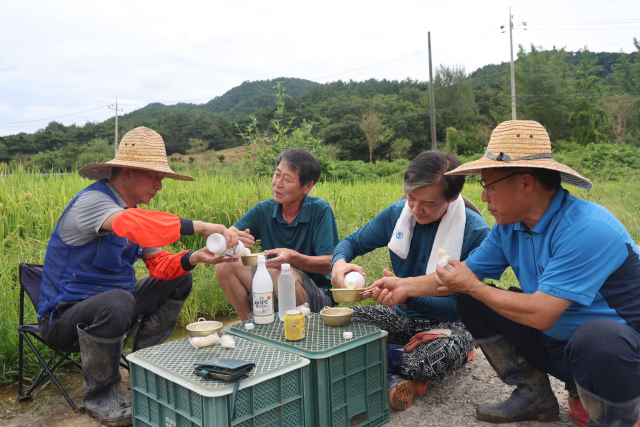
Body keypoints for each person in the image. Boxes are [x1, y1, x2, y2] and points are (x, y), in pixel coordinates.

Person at [416, 120, 639, 426]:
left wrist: (473, 286)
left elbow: (542, 314)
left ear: (525, 182)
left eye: (488, 185)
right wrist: (400, 286)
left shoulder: (588, 228)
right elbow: (459, 276)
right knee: (472, 302)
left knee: (597, 339)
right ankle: (534, 394)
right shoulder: (510, 227)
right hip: (563, 347)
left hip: (620, 355)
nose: (483, 198)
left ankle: (621, 416)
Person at [37, 127, 243, 426]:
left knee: (179, 277)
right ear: (128, 172)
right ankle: (102, 395)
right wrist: (201, 225)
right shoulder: (92, 204)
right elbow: (133, 225)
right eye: (155, 176)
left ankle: (147, 367)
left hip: (114, 307)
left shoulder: (132, 212)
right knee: (119, 300)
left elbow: (159, 265)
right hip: (64, 318)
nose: (160, 185)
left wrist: (194, 257)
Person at [331, 151, 490, 410]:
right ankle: (395, 371)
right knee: (332, 321)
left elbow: (463, 306)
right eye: (411, 198)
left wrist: (409, 295)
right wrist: (339, 263)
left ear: (451, 198)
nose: (416, 209)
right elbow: (351, 243)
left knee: (429, 361)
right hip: (402, 316)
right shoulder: (398, 214)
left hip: (450, 323)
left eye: (428, 203)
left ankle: (371, 361)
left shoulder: (475, 233)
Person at [216, 147, 340, 320]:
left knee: (280, 271)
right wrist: (231, 241)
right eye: (277, 174)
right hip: (273, 286)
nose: (277, 183)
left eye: (287, 179)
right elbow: (227, 237)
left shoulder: (319, 210)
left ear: (307, 186)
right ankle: (251, 324)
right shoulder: (263, 210)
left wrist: (292, 257)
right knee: (224, 266)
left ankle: (297, 327)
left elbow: (329, 263)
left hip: (316, 297)